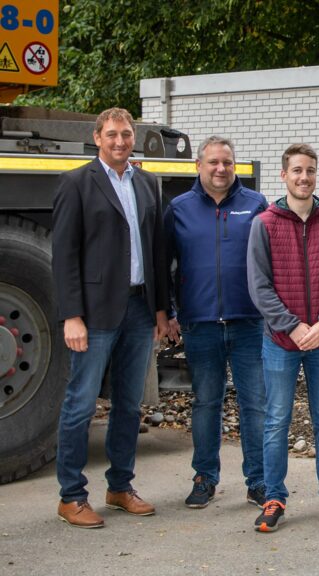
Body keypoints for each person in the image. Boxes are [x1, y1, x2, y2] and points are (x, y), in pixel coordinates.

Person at [52, 107, 170, 528]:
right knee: (81, 403)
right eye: (112, 134)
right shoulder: (76, 183)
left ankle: (120, 486)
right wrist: (72, 315)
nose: (120, 141)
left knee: (129, 405)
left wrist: (161, 310)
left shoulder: (146, 183)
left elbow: (156, 251)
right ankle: (71, 496)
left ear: (133, 138)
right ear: (97, 137)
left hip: (139, 309)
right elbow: (64, 254)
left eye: (126, 134)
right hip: (95, 311)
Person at [247, 143, 319, 532]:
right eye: (296, 170)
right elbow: (259, 286)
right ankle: (274, 497)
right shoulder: (265, 224)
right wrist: (292, 326)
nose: (304, 177)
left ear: (316, 174)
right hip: (281, 342)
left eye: (310, 170)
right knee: (277, 420)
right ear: (284, 175)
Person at [164, 136, 269, 509]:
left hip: (248, 323)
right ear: (199, 165)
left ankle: (259, 481)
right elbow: (164, 266)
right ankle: (204, 478)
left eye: (227, 162)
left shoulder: (256, 205)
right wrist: (169, 312)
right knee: (206, 402)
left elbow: (270, 261)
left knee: (255, 404)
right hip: (200, 324)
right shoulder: (179, 209)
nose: (221, 169)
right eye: (213, 162)